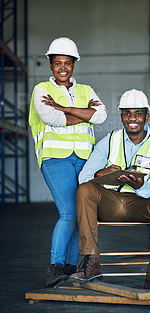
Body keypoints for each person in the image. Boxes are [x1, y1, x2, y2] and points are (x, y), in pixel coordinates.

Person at [69, 89, 150, 290]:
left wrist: (142, 186)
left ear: (146, 116)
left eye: (137, 113)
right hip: (109, 203)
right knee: (84, 190)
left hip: (140, 203)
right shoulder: (110, 140)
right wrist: (102, 172)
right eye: (127, 113)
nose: (132, 118)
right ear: (121, 116)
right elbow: (84, 176)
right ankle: (90, 262)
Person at [29, 37, 107, 287]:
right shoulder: (41, 90)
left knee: (83, 214)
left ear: (74, 65)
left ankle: (72, 268)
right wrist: (84, 115)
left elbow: (102, 115)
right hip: (55, 159)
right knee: (69, 213)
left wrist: (64, 107)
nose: (63, 67)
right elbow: (52, 119)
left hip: (84, 161)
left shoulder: (86, 90)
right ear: (51, 65)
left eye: (68, 63)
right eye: (58, 63)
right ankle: (56, 267)